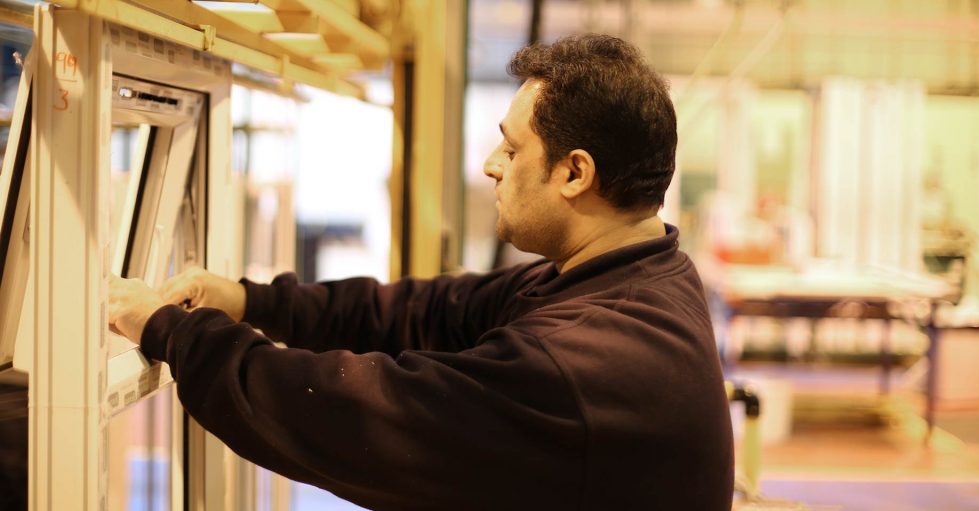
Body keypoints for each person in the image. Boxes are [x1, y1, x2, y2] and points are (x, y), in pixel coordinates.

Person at [109, 34, 734, 510]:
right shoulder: (637, 273)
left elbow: (347, 414)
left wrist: (167, 330)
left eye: (513, 150)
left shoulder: (580, 361)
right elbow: (424, 309)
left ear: (575, 173)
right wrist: (252, 302)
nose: (492, 165)